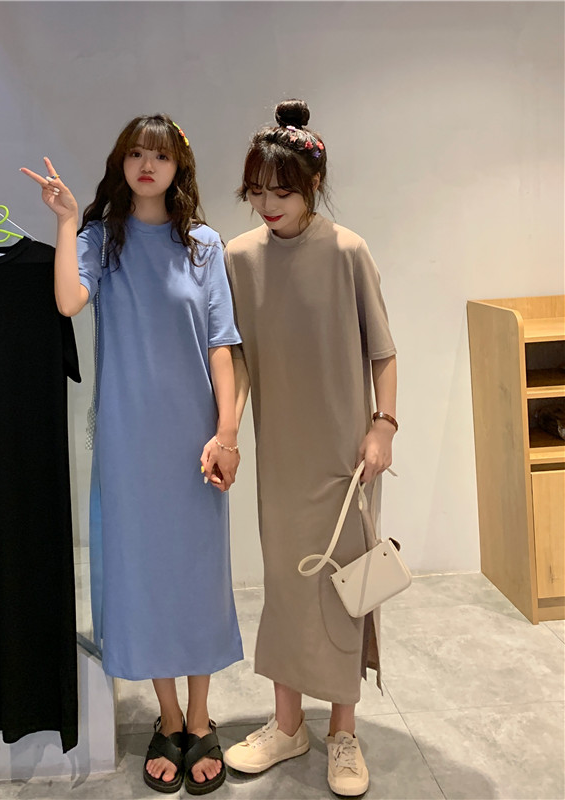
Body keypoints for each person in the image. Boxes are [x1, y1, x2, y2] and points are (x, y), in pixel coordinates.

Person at [21, 114, 243, 795]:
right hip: (128, 441)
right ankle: (169, 718)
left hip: (196, 442)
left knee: (197, 576)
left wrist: (227, 433)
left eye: (161, 156)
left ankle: (201, 716)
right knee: (143, 575)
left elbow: (223, 346)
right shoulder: (100, 240)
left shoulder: (204, 245)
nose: (148, 165)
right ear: (121, 163)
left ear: (179, 167)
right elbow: (67, 301)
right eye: (137, 154)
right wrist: (66, 221)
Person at [222, 99, 398, 797]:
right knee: (287, 589)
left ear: (312, 186)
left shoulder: (348, 250)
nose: (268, 204)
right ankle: (288, 724)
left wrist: (384, 425)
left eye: (283, 191)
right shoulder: (239, 259)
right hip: (283, 459)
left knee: (345, 592)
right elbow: (236, 359)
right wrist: (228, 430)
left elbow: (383, 351)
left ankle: (343, 733)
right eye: (257, 191)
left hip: (348, 458)